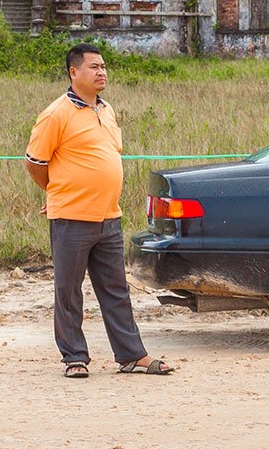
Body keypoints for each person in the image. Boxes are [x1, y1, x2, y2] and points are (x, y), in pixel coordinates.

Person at [24, 43, 172, 379]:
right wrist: (56, 190)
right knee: (69, 290)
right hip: (71, 217)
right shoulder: (55, 114)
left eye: (103, 66)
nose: (101, 72)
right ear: (74, 72)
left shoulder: (106, 110)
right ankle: (74, 357)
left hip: (109, 216)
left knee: (115, 289)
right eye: (93, 67)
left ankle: (132, 355)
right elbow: (35, 163)